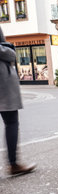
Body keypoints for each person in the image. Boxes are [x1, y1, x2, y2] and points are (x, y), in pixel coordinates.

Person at [0, 27, 36, 175]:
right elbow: (5, 51)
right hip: (2, 79)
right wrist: (10, 50)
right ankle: (13, 164)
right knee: (12, 122)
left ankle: (14, 163)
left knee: (11, 122)